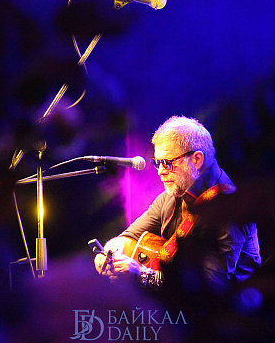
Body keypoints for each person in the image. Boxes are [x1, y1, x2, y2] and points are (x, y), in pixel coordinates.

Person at [94, 116, 261, 300]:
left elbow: (212, 284)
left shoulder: (229, 206)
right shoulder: (172, 195)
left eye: (167, 163)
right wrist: (109, 254)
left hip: (228, 309)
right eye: (157, 163)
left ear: (197, 160)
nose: (160, 171)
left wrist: (142, 275)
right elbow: (128, 237)